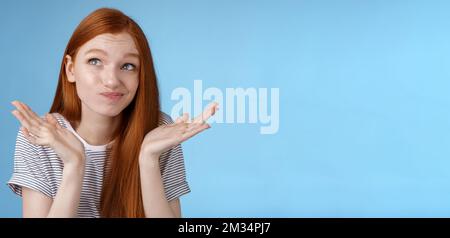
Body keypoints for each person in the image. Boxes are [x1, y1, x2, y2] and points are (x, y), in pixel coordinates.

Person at [7, 7, 219, 218]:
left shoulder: (159, 130)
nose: (111, 81)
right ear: (70, 69)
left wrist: (148, 159)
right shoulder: (40, 136)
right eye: (95, 61)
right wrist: (74, 165)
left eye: (127, 66)